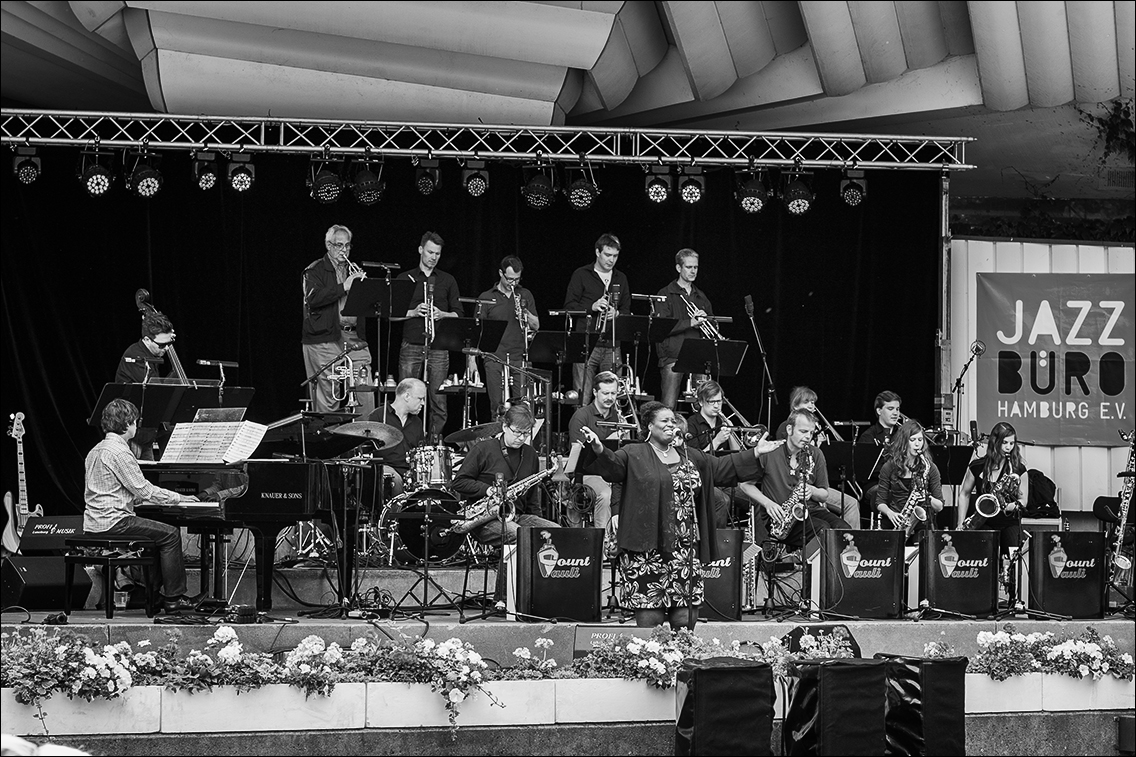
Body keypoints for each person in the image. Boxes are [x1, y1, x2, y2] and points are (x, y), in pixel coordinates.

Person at [579, 401, 782, 630]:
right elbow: (612, 466)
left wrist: (755, 452)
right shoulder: (634, 453)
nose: (670, 425)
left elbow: (724, 466)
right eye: (664, 421)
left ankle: (683, 658)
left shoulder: (691, 456)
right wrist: (597, 447)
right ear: (649, 426)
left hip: (685, 549)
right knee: (650, 614)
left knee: (685, 615)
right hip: (646, 549)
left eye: (672, 421)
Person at [83, 399, 204, 613]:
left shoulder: (95, 450)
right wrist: (179, 498)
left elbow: (113, 489)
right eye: (135, 422)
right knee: (171, 534)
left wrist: (139, 499)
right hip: (115, 522)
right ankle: (174, 599)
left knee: (157, 536)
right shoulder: (119, 452)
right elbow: (145, 490)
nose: (136, 426)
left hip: (94, 522)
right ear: (127, 423)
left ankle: (155, 596)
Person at [451, 403, 559, 544]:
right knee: (519, 534)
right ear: (504, 427)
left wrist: (537, 523)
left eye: (526, 433)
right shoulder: (483, 449)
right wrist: (488, 490)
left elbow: (532, 499)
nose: (521, 438)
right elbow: (459, 482)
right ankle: (512, 565)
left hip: (517, 516)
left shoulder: (530, 454)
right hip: (486, 520)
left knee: (556, 532)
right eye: (517, 432)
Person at [749, 409, 851, 555]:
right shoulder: (770, 451)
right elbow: (745, 485)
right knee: (821, 530)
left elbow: (824, 495)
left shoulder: (815, 453)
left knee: (844, 530)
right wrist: (767, 503)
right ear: (789, 429)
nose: (808, 437)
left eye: (810, 433)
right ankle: (813, 573)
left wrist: (812, 490)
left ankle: (833, 576)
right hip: (780, 518)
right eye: (803, 431)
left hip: (811, 510)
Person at [302, 224, 375, 417]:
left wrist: (365, 288)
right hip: (325, 338)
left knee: (364, 391)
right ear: (328, 245)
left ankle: (365, 442)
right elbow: (313, 299)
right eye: (338, 245)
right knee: (329, 397)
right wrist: (345, 285)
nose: (344, 250)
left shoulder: (354, 270)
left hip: (354, 337)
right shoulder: (314, 270)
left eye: (347, 245)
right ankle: (329, 444)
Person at [396, 231, 462, 436]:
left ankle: (433, 446)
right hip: (412, 344)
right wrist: (414, 312)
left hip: (439, 346)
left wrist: (442, 314)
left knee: (439, 401)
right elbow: (391, 315)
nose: (433, 257)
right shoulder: (404, 277)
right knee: (406, 398)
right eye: (430, 252)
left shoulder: (447, 280)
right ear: (420, 250)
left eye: (438, 254)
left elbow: (459, 314)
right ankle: (406, 441)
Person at [684, 379, 762, 528]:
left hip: (724, 478)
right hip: (703, 479)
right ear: (700, 402)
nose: (716, 406)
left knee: (758, 499)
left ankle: (759, 546)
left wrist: (731, 432)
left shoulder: (722, 422)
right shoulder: (692, 424)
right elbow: (693, 459)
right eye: (711, 401)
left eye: (719, 402)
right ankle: (717, 546)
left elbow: (736, 452)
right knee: (723, 501)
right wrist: (717, 441)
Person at [564, 232, 630, 406]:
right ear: (597, 252)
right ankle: (580, 432)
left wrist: (616, 313)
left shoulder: (620, 278)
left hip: (611, 344)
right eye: (607, 255)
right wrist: (591, 308)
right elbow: (569, 306)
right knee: (582, 397)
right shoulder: (581, 274)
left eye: (615, 256)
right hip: (586, 344)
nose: (611, 260)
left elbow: (627, 309)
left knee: (610, 397)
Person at [784, 386, 862, 528]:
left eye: (813, 402)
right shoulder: (786, 428)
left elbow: (819, 463)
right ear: (795, 406)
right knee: (849, 505)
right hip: (794, 491)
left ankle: (852, 546)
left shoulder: (815, 431)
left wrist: (820, 448)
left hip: (814, 488)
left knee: (849, 506)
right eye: (806, 401)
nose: (811, 405)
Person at [473, 256, 540, 418]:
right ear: (500, 274)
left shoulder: (525, 294)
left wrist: (526, 314)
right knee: (497, 406)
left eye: (517, 279)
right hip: (494, 357)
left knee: (522, 407)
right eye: (510, 279)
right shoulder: (486, 297)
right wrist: (471, 362)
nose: (513, 283)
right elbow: (476, 333)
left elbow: (536, 326)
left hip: (519, 358)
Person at [956, 421, 1030, 555]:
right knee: (982, 559)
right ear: (995, 442)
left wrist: (1004, 506)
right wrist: (960, 523)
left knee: (1014, 559)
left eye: (1012, 443)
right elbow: (964, 494)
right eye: (1004, 443)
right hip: (982, 521)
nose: (1008, 448)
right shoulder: (977, 466)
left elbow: (1023, 501)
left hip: (1008, 521)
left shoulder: (1019, 469)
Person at [567, 370, 626, 532]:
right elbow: (578, 455)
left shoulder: (618, 417)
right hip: (587, 474)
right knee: (606, 494)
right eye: (605, 393)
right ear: (594, 392)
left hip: (612, 472)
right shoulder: (582, 416)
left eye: (613, 393)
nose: (610, 398)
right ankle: (604, 544)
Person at [115, 308, 177, 460]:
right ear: (147, 339)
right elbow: (154, 390)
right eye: (162, 345)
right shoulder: (135, 356)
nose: (167, 348)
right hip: (132, 433)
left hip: (146, 431)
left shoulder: (152, 352)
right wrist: (175, 375)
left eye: (169, 343)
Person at [655, 248, 714, 409]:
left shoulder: (701, 297)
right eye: (689, 267)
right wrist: (690, 322)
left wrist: (706, 320)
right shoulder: (665, 294)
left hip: (697, 358)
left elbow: (712, 326)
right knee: (668, 405)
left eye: (695, 267)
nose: (693, 271)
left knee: (704, 406)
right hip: (672, 357)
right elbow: (661, 327)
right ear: (678, 268)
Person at [874, 420, 944, 542]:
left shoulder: (930, 467)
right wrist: (891, 514)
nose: (917, 444)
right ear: (903, 442)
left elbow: (939, 506)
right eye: (912, 440)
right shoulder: (889, 467)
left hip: (921, 524)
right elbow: (880, 501)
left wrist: (927, 497)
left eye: (920, 440)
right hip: (896, 519)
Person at [364, 378, 427, 496]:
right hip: (385, 468)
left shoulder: (417, 422)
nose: (423, 403)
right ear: (407, 396)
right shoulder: (378, 416)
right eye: (420, 398)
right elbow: (367, 449)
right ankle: (395, 514)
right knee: (395, 480)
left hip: (409, 471)